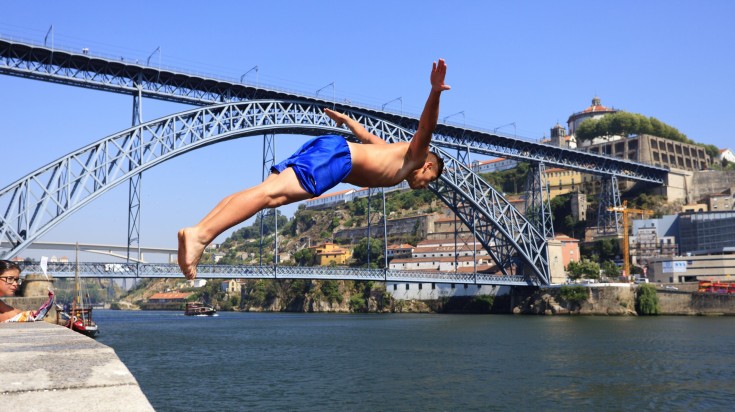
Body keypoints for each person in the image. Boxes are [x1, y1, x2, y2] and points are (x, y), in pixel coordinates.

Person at [178, 59, 451, 279]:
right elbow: (426, 127)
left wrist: (346, 120)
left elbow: (367, 137)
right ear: (428, 165)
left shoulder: (397, 156)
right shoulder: (416, 155)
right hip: (337, 158)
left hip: (331, 148)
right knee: (271, 196)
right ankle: (201, 236)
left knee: (266, 194)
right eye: (430, 179)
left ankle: (199, 229)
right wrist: (435, 92)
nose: (424, 185)